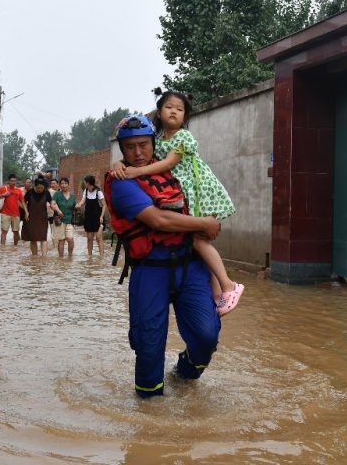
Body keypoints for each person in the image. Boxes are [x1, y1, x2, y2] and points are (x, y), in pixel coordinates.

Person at [106, 114, 222, 398]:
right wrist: (205, 225)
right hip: (150, 270)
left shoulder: (172, 170)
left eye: (143, 144)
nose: (138, 153)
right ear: (122, 150)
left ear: (153, 144)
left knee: (207, 335)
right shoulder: (121, 182)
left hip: (189, 265)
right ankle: (149, 414)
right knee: (148, 346)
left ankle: (184, 374)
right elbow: (159, 221)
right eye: (130, 147)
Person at [112, 89, 243, 316]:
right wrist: (118, 164)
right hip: (178, 194)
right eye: (169, 107)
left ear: (185, 116)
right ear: (159, 112)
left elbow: (166, 164)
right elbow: (142, 156)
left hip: (196, 191)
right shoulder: (158, 139)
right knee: (195, 241)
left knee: (199, 241)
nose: (174, 111)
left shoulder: (183, 137)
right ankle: (216, 294)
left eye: (180, 109)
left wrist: (135, 171)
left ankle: (228, 285)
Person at [21, 176, 56, 256]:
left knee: (43, 238)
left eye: (42, 188)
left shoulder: (46, 193)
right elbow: (23, 201)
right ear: (35, 186)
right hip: (31, 218)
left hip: (43, 219)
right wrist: (26, 212)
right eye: (38, 188)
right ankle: (35, 257)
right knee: (33, 239)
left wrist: (56, 209)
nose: (40, 190)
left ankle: (44, 257)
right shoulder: (30, 192)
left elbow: (52, 203)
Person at [75, 175, 107, 257]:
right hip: (88, 217)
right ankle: (90, 257)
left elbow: (104, 205)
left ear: (88, 183)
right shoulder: (85, 191)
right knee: (89, 238)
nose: (84, 183)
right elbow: (82, 202)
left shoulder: (98, 192)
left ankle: (102, 256)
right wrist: (79, 205)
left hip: (98, 218)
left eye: (84, 182)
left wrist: (101, 216)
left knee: (98, 237)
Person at [0, 174, 25, 245]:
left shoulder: (18, 190)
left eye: (14, 181)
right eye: (11, 181)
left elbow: (22, 202)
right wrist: (4, 195)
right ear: (9, 181)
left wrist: (27, 211)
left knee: (16, 232)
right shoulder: (3, 188)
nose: (13, 182)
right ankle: (2, 247)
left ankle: (15, 247)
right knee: (4, 231)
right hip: (5, 213)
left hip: (16, 214)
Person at [53, 177, 77, 257]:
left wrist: (79, 205)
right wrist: (58, 211)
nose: (63, 185)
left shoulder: (72, 196)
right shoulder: (57, 194)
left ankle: (70, 257)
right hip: (60, 220)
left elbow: (75, 205)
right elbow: (52, 204)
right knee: (61, 240)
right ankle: (61, 258)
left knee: (70, 239)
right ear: (60, 185)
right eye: (62, 184)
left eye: (65, 183)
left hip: (69, 220)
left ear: (68, 185)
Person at [48, 179, 60, 247]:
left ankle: (58, 245)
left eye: (54, 183)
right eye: (51, 183)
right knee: (53, 230)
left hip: (58, 214)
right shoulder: (48, 192)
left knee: (59, 230)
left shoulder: (60, 192)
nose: (52, 185)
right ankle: (55, 246)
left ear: (58, 184)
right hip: (50, 214)